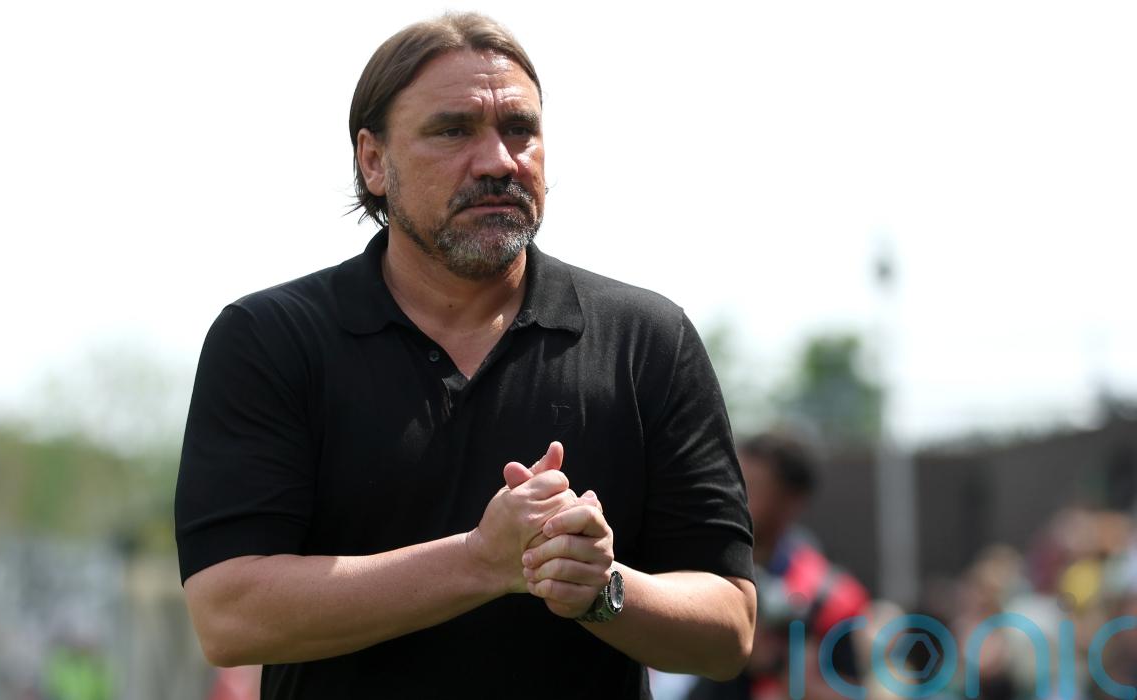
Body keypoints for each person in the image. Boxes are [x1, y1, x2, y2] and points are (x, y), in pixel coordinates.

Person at [175, 11, 756, 699]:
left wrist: (600, 587)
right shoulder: (271, 339)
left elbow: (730, 628)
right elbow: (229, 615)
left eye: (520, 129)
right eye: (453, 131)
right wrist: (482, 562)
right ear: (373, 161)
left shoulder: (646, 340)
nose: (498, 161)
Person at [689, 432, 869, 700]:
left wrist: (775, 664)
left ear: (791, 501)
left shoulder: (830, 597)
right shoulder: (693, 574)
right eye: (731, 482)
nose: (734, 497)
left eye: (752, 487)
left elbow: (853, 693)